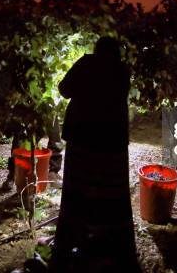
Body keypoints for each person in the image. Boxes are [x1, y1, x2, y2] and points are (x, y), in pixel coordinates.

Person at [50, 37, 139, 272]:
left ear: (96, 50)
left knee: (77, 190)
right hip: (112, 142)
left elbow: (64, 89)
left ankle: (72, 241)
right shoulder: (122, 71)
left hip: (83, 137)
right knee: (110, 192)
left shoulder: (87, 63)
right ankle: (106, 242)